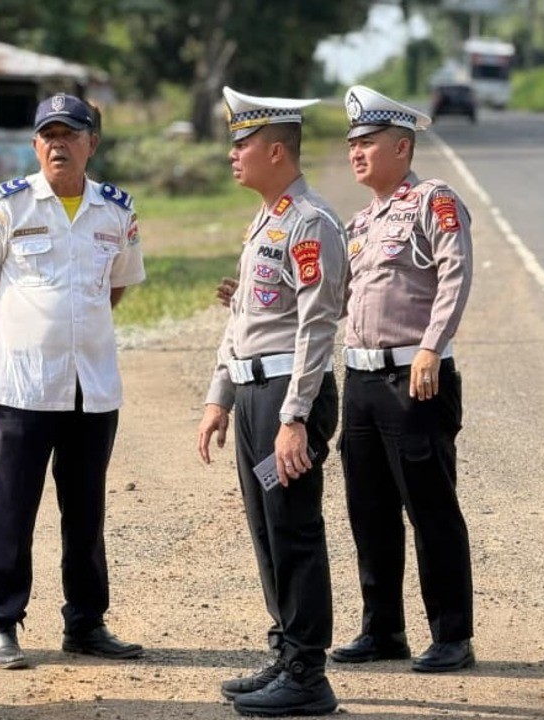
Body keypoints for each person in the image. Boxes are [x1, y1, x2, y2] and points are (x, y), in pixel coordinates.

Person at [0, 93, 146, 670]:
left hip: (91, 385)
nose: (58, 144)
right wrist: (27, 333)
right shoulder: (6, 206)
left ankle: (86, 623)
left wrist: (69, 331)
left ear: (92, 143)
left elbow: (114, 288)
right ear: (35, 144)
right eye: (48, 135)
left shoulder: (116, 210)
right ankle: (0, 622)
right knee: (11, 507)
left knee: (85, 510)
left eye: (71, 134)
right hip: (23, 387)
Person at [196, 87, 347, 717]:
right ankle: (286, 652)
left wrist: (294, 420)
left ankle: (309, 673)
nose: (233, 155)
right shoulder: (268, 220)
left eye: (243, 143)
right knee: (267, 529)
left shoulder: (311, 222)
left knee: (293, 529)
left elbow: (316, 328)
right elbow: (245, 320)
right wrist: (219, 398)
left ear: (276, 149)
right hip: (256, 395)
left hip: (290, 400)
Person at [327, 85, 476, 673]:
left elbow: (455, 273)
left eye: (367, 142)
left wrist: (432, 349)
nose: (355, 153)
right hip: (361, 381)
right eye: (351, 144)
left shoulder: (434, 202)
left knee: (431, 508)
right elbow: (337, 300)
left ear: (402, 146)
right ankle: (382, 630)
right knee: (369, 509)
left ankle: (452, 636)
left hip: (415, 379)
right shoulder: (359, 223)